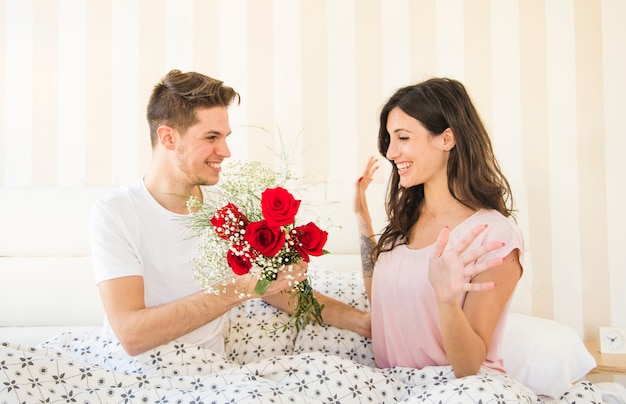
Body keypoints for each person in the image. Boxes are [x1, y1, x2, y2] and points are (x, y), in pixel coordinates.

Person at [90, 69, 367, 357]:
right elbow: (132, 335)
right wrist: (239, 288)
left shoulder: (227, 208)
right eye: (211, 137)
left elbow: (274, 290)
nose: (225, 151)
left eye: (225, 137)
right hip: (136, 376)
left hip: (211, 374)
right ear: (168, 138)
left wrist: (360, 321)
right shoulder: (115, 214)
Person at [353, 77, 524, 378]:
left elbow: (469, 366)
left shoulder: (493, 236)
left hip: (459, 390)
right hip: (393, 386)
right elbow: (381, 300)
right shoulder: (405, 222)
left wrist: (447, 299)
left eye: (403, 138)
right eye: (390, 140)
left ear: (447, 139)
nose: (391, 153)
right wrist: (361, 217)